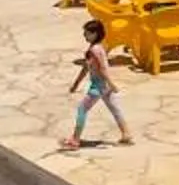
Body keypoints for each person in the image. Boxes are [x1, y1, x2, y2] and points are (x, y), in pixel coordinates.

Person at [58, 18, 135, 152]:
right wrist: (76, 84)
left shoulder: (94, 50)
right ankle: (126, 133)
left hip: (99, 86)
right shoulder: (99, 48)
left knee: (82, 109)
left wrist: (112, 84)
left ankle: (75, 140)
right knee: (115, 109)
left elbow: (101, 69)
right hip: (105, 86)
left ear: (95, 34)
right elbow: (87, 67)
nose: (84, 36)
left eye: (87, 33)